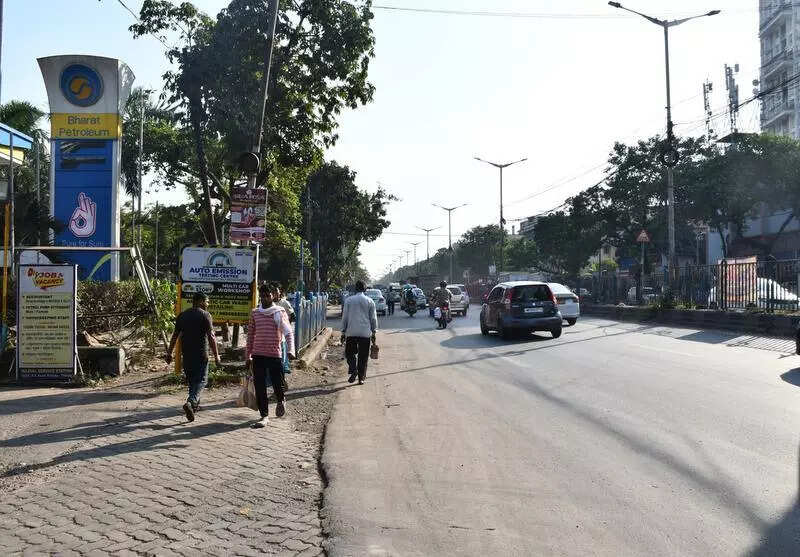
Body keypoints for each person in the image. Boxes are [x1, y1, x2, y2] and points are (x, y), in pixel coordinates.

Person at [165, 291, 221, 422]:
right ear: (201, 301)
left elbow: (174, 336)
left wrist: (169, 353)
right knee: (202, 380)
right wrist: (217, 355)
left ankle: (194, 406)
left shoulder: (182, 316)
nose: (208, 304)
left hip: (187, 355)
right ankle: (191, 402)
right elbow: (211, 337)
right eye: (207, 302)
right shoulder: (205, 315)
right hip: (201, 355)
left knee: (192, 382)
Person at [247, 284, 295, 428]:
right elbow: (250, 336)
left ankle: (281, 400)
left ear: (272, 296)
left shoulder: (279, 312)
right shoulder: (255, 313)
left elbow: (288, 332)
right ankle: (264, 416)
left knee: (277, 383)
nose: (265, 298)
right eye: (262, 296)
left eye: (267, 295)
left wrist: (291, 350)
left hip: (274, 354)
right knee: (259, 386)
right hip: (258, 354)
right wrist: (247, 355)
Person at [341, 280, 377, 385]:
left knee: (349, 353)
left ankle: (353, 369)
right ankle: (361, 378)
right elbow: (373, 319)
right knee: (363, 356)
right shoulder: (370, 301)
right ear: (365, 289)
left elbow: (345, 317)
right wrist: (374, 332)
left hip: (351, 332)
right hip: (365, 333)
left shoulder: (348, 300)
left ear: (355, 289)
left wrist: (343, 331)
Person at [271, 283, 294, 390]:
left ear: (279, 292)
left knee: (281, 362)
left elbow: (292, 315)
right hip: (270, 338)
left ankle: (281, 382)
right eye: (273, 292)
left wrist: (284, 325)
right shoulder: (267, 304)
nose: (274, 294)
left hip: (282, 337)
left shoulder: (284, 303)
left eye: (276, 292)